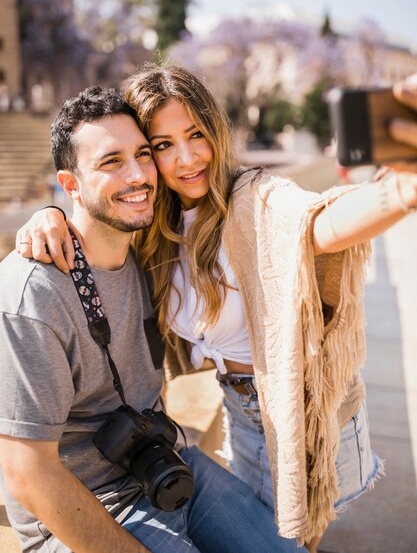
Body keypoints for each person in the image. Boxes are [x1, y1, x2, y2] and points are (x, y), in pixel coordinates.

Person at [16, 68, 417, 552]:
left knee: (297, 539)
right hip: (237, 407)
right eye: (161, 145)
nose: (184, 158)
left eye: (196, 135)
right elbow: (94, 218)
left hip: (297, 405)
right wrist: (52, 213)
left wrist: (400, 192)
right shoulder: (151, 227)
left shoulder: (252, 198)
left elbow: (320, 223)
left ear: (216, 131)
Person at [0, 86, 307, 553]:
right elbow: (27, 474)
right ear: (70, 185)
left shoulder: (149, 251)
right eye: (111, 162)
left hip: (168, 466)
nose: (139, 175)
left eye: (144, 154)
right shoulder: (33, 295)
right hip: (86, 510)